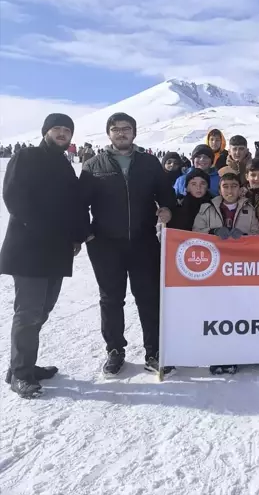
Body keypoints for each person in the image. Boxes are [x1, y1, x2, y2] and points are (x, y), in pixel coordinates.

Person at [80, 112, 176, 377]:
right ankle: (115, 350)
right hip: (105, 243)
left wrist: (166, 209)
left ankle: (154, 351)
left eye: (126, 128)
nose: (121, 133)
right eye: (116, 129)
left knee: (148, 297)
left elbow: (165, 195)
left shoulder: (149, 163)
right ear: (108, 133)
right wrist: (88, 233)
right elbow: (79, 205)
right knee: (111, 299)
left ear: (134, 132)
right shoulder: (93, 165)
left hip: (144, 241)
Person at [0, 114, 89, 398]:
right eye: (57, 129)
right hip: (29, 248)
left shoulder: (64, 164)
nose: (62, 134)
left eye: (67, 130)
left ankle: (20, 365)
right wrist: (40, 228)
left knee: (43, 309)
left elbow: (75, 204)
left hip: (56, 249)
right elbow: (13, 196)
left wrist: (77, 235)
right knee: (28, 313)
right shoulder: (27, 156)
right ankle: (22, 374)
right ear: (46, 131)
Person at [193, 169, 259, 375]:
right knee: (216, 314)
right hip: (214, 269)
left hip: (240, 268)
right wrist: (212, 232)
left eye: (233, 186)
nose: (230, 190)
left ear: (240, 189)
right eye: (225, 186)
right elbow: (195, 233)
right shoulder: (207, 208)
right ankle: (217, 355)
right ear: (220, 188)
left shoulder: (248, 208)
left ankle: (234, 354)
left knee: (237, 313)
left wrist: (247, 237)